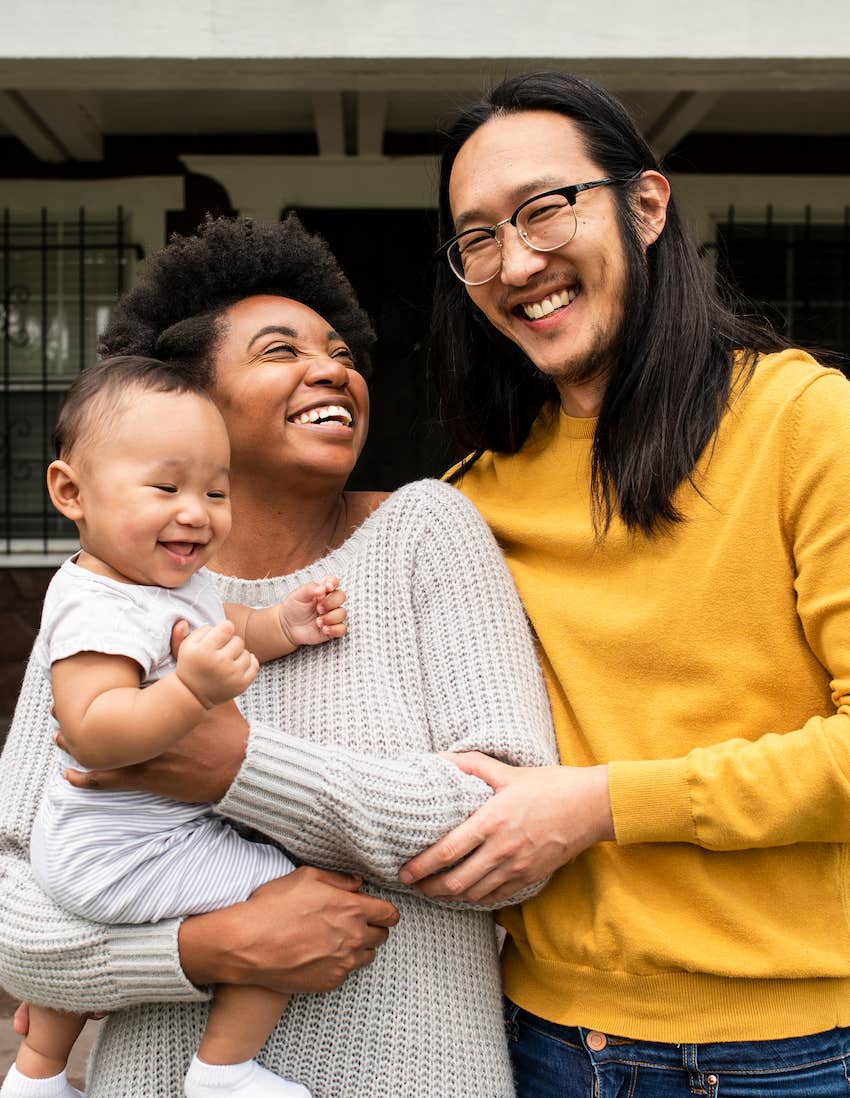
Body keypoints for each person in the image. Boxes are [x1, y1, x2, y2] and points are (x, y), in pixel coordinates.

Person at [0, 214, 556, 1098]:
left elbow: (512, 837)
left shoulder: (426, 533)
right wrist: (208, 949)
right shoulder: (112, 587)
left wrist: (238, 767)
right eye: (279, 351)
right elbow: (17, 891)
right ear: (188, 403)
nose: (333, 370)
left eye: (340, 352)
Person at [399, 71, 850, 1096]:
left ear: (645, 207)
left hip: (787, 1055)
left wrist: (599, 806)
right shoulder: (471, 499)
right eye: (477, 238)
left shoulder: (802, 422)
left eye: (544, 209)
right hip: (538, 1042)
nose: (518, 262)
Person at [3, 356, 351, 1098]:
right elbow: (90, 732)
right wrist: (191, 691)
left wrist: (283, 624)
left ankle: (35, 1078)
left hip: (112, 844)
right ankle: (224, 1072)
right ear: (71, 492)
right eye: (166, 488)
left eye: (215, 491)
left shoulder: (165, 583)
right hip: (121, 848)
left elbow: (228, 625)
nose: (196, 512)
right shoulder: (92, 605)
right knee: (282, 898)